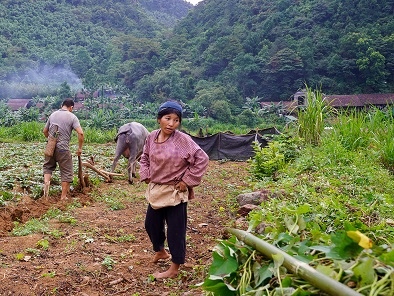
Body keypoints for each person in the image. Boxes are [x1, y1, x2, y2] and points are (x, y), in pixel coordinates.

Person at [139, 101, 209, 279]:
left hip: (175, 192)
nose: (171, 123)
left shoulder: (182, 139)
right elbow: (145, 156)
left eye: (176, 120)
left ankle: (174, 267)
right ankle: (161, 251)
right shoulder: (152, 137)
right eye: (167, 118)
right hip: (157, 189)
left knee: (175, 230)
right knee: (151, 224)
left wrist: (187, 180)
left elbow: (202, 158)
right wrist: (146, 173)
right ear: (159, 119)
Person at [43, 99, 84, 200]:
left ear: (62, 105)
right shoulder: (72, 117)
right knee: (66, 172)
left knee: (48, 167)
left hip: (50, 148)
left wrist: (51, 140)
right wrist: (79, 148)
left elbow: (45, 131)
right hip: (63, 149)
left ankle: (46, 190)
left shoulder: (52, 115)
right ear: (71, 107)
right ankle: (63, 196)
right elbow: (81, 133)